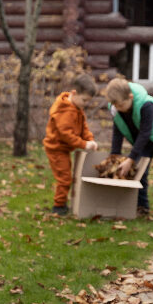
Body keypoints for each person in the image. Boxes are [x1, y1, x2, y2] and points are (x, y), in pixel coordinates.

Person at [103, 78, 153, 217]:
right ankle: (142, 207)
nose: (120, 109)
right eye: (116, 106)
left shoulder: (146, 105)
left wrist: (131, 158)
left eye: (122, 105)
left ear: (130, 97)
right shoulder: (116, 107)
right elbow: (118, 131)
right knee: (139, 173)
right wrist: (114, 155)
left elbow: (145, 133)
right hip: (142, 140)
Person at [42, 74, 99, 216]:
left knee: (67, 175)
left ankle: (62, 203)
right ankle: (59, 206)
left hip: (64, 149)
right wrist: (83, 144)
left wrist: (90, 140)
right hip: (56, 148)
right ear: (74, 93)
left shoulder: (77, 108)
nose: (85, 104)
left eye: (87, 101)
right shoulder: (64, 111)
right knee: (64, 177)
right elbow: (66, 135)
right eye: (84, 100)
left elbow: (83, 127)